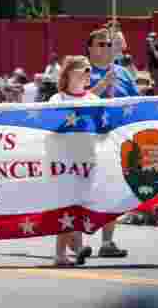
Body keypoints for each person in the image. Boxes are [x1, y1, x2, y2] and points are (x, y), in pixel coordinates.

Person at [47, 56, 111, 266]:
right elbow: (53, 126)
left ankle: (76, 247)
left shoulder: (93, 100)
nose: (87, 74)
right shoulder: (57, 99)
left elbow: (103, 130)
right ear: (69, 73)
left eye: (89, 70)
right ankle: (61, 253)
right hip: (63, 162)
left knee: (80, 207)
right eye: (83, 69)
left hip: (87, 160)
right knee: (67, 206)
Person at [86, 26, 138, 258]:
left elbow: (138, 102)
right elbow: (78, 101)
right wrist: (103, 84)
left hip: (118, 140)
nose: (107, 48)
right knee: (83, 191)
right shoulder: (82, 69)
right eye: (101, 44)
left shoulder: (123, 73)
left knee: (112, 191)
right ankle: (77, 239)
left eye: (110, 44)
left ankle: (107, 241)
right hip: (89, 141)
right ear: (90, 48)